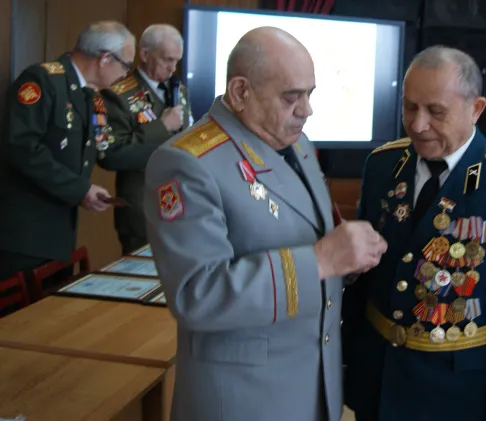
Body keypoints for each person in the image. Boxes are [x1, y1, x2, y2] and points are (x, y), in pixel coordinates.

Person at [144, 26, 387, 421]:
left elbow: (308, 232)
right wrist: (322, 260)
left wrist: (348, 260)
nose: (306, 110)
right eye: (292, 97)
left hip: (311, 384)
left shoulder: (297, 143)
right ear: (241, 91)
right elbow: (196, 295)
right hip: (243, 397)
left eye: (310, 94)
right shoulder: (186, 163)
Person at [342, 46, 486, 421]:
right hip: (380, 380)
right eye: (410, 107)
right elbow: (364, 283)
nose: (417, 124)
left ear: (476, 109)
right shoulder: (382, 165)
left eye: (435, 111)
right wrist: (346, 361)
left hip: (459, 394)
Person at [0, 21, 135, 281]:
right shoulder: (43, 80)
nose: (125, 74)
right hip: (25, 237)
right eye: (126, 65)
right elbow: (22, 147)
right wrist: (80, 189)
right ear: (105, 58)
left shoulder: (88, 95)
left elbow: (101, 149)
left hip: (59, 234)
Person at [100, 23, 193, 255]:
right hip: (142, 205)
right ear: (144, 54)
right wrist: (162, 127)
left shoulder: (177, 88)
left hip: (182, 203)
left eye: (176, 61)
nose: (172, 68)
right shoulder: (118, 93)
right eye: (167, 59)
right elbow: (111, 154)